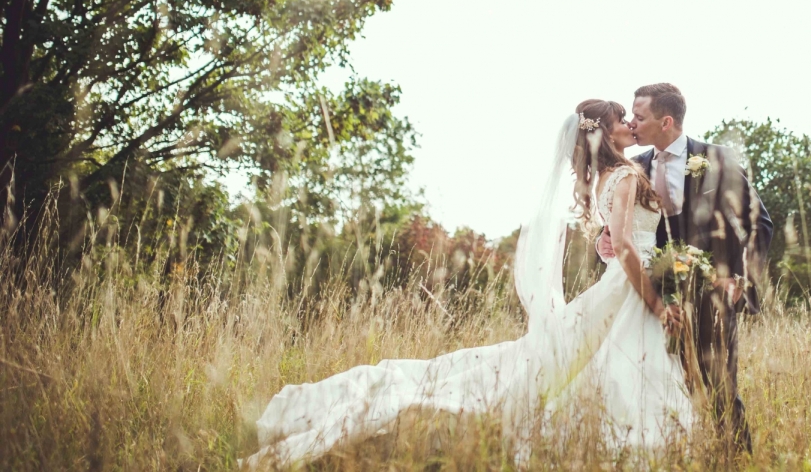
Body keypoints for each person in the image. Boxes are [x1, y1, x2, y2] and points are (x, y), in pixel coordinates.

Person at [242, 100, 693, 467]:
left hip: (621, 286)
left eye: (634, 118)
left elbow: (617, 242)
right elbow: (629, 248)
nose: (631, 126)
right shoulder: (628, 175)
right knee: (619, 368)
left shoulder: (604, 181)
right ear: (604, 133)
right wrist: (656, 302)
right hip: (631, 288)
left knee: (600, 367)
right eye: (623, 120)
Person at [597, 83, 773, 453]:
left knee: (721, 383)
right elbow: (623, 228)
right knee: (665, 383)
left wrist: (741, 278)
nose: (631, 122)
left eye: (639, 116)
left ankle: (736, 460)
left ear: (666, 121)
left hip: (713, 293)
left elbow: (760, 224)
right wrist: (604, 239)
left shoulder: (717, 158)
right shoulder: (634, 167)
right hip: (655, 297)